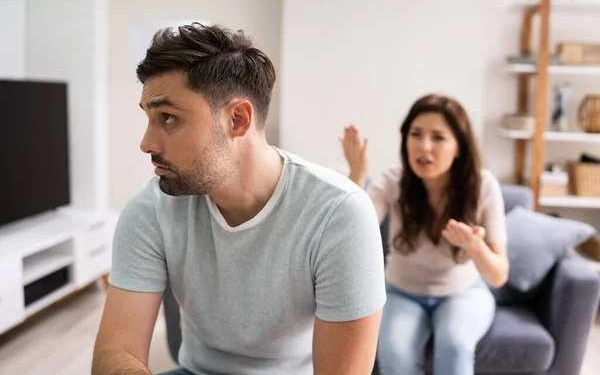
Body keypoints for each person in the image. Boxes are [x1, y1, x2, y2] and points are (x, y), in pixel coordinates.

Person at [92, 23, 386, 375]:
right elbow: (116, 351)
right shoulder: (150, 208)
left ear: (238, 119)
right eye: (149, 117)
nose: (146, 143)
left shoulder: (340, 214)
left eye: (168, 117)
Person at [339, 94, 509, 375]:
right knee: (394, 352)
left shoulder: (484, 186)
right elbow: (350, 230)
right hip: (399, 290)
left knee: (454, 345)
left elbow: (498, 276)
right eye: (416, 134)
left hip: (463, 292)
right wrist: (357, 176)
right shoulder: (394, 180)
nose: (424, 146)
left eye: (438, 137)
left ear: (459, 147)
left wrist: (476, 247)